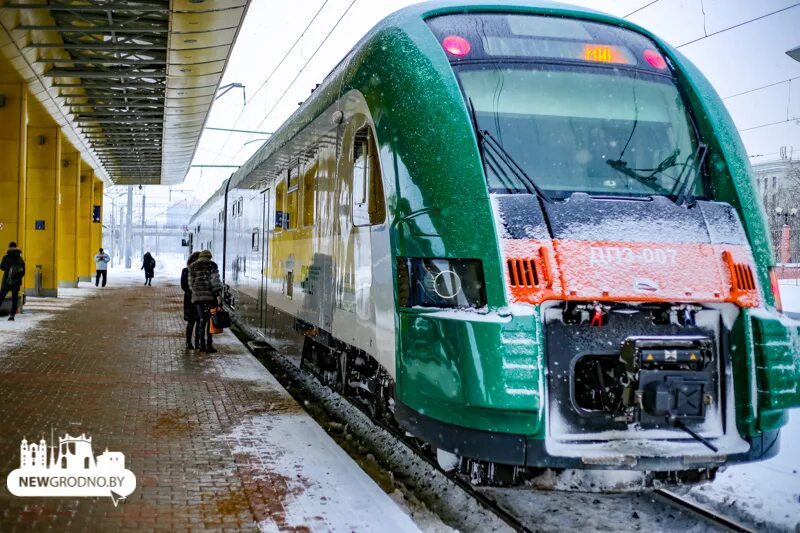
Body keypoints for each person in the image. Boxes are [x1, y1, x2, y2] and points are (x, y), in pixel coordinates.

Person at [188, 250, 223, 353]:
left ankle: (201, 345)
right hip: (209, 298)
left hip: (198, 299)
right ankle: (209, 346)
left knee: (202, 320)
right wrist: (218, 295)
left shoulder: (193, 266)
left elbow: (191, 284)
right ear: (209, 257)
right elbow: (215, 282)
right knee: (209, 321)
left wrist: (197, 291)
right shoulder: (212, 265)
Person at [0, 241, 25, 321]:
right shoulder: (20, 259)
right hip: (16, 282)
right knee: (14, 299)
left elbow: (2, 268)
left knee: (1, 297)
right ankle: (12, 316)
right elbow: (23, 271)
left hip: (6, 281)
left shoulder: (5, 257)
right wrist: (17, 277)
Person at [181, 251, 201, 349]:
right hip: (190, 300)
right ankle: (188, 342)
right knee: (191, 322)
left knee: (199, 321)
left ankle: (197, 342)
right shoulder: (186, 271)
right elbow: (184, 286)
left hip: (200, 300)